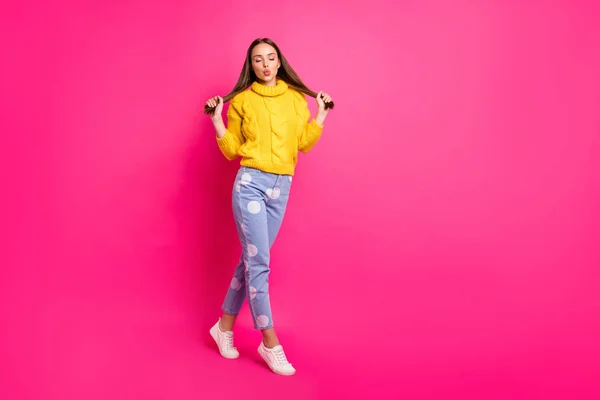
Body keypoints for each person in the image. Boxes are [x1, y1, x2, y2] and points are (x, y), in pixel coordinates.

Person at [204, 37, 334, 376]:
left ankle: (224, 327)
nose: (265, 64)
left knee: (251, 259)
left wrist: (320, 114)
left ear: (279, 62)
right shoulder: (243, 101)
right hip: (251, 185)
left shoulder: (295, 99)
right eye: (258, 59)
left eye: (270, 58)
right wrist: (217, 119)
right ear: (251, 65)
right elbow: (232, 150)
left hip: (282, 187)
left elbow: (303, 143)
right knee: (259, 261)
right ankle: (270, 342)